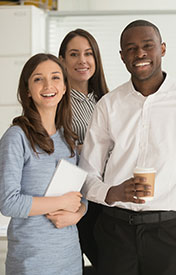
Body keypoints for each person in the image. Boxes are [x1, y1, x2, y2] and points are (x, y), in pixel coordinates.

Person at [79, 19, 176, 275]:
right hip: (114, 231)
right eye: (130, 48)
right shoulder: (108, 105)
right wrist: (112, 193)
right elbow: (87, 174)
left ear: (162, 49)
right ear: (122, 56)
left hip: (169, 234)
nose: (139, 53)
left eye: (147, 45)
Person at [0, 53, 86, 275]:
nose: (48, 85)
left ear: (65, 87)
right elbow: (9, 203)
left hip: (69, 259)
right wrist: (60, 201)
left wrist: (78, 213)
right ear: (28, 90)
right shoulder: (16, 137)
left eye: (56, 77)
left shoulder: (69, 139)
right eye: (38, 79)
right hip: (31, 262)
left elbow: (81, 194)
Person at [59, 28, 109, 272]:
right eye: (74, 54)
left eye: (88, 53)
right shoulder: (58, 100)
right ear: (62, 61)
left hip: (104, 198)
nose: (82, 60)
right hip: (73, 199)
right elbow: (57, 149)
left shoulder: (105, 100)